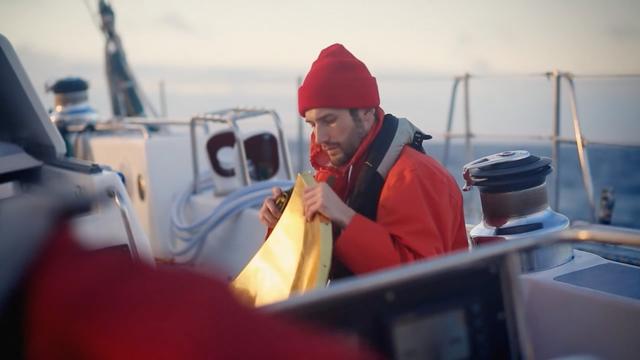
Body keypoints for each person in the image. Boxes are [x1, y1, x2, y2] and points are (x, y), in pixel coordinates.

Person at [259, 43, 468, 279]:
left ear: (367, 113)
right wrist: (283, 223)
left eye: (330, 120)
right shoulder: (334, 174)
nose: (320, 136)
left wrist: (344, 217)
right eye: (313, 124)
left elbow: (421, 282)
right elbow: (303, 272)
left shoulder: (414, 175)